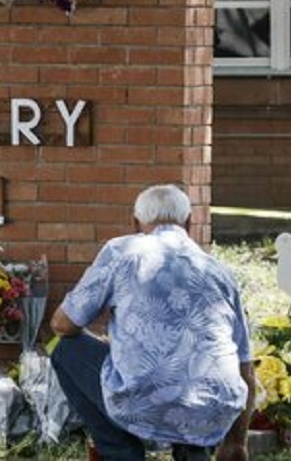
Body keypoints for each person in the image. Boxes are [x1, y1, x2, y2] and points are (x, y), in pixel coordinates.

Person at [49, 184, 253, 461]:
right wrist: (237, 443)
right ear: (190, 223)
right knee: (191, 372)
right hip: (213, 410)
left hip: (140, 401)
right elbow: (245, 364)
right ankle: (193, 455)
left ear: (134, 223)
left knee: (66, 350)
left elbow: (63, 325)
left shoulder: (122, 251)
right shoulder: (219, 271)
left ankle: (120, 454)